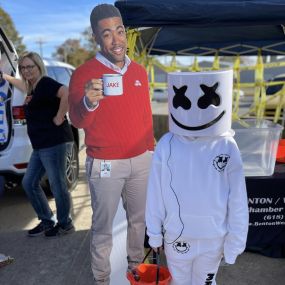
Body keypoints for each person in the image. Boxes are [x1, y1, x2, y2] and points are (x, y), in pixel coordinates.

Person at [68, 4, 154, 284]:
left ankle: (134, 271)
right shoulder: (83, 74)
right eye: (107, 34)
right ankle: (102, 279)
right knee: (103, 228)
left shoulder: (139, 72)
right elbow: (77, 121)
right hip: (105, 164)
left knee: (138, 222)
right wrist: (88, 101)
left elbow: (145, 115)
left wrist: (150, 151)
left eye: (119, 31)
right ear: (95, 37)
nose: (116, 40)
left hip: (141, 161)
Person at [146, 70, 249, 285]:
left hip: (212, 239)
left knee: (206, 282)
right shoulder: (167, 144)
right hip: (178, 238)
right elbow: (155, 191)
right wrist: (154, 232)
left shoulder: (227, 145)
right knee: (179, 282)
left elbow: (238, 198)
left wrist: (234, 242)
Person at [0, 52, 74, 238]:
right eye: (23, 68)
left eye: (29, 67)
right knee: (29, 182)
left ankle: (65, 224)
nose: (26, 71)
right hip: (40, 145)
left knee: (57, 185)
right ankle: (47, 220)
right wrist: (5, 76)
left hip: (54, 141)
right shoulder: (32, 87)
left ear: (38, 66)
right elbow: (20, 84)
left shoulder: (46, 83)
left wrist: (59, 117)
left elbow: (66, 92)